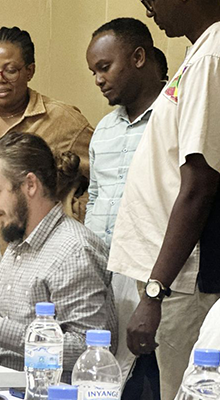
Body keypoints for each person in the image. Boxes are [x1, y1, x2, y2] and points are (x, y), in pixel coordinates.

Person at [108, 1, 220, 398]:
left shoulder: (212, 54)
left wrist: (156, 291)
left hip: (181, 282)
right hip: (164, 276)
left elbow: (200, 185)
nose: (148, 6)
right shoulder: (198, 51)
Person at [0, 26, 93, 277]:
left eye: (10, 70)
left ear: (29, 71)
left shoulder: (61, 119)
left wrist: (77, 212)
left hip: (36, 252)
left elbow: (104, 177)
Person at [0, 131, 117, 381]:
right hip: (0, 378)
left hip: (41, 389)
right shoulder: (18, 242)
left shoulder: (74, 251)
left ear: (30, 185)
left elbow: (88, 349)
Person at [86, 17, 166, 400]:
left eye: (105, 67)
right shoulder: (104, 129)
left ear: (137, 57)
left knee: (153, 381)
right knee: (109, 381)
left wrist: (155, 290)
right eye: (93, 72)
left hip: (155, 277)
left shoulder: (173, 118)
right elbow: (96, 198)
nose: (99, 79)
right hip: (106, 276)